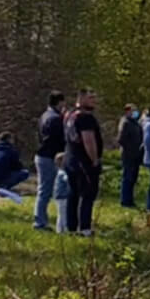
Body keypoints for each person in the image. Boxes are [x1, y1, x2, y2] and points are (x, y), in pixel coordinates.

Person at [61, 89, 103, 238]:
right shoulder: (85, 118)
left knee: (73, 194)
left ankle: (71, 227)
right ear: (81, 98)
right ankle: (84, 228)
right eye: (91, 98)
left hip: (70, 160)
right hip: (84, 162)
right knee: (88, 194)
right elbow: (88, 140)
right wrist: (94, 159)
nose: (94, 101)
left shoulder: (69, 115)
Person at [33, 91, 64, 231]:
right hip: (49, 157)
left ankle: (41, 219)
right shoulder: (56, 118)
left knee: (43, 189)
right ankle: (39, 222)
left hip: (41, 154)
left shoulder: (44, 116)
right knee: (45, 190)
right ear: (59, 102)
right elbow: (57, 140)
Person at [117, 104, 143, 208]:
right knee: (127, 177)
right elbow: (121, 139)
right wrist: (130, 149)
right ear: (127, 111)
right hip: (128, 155)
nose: (136, 112)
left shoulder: (135, 123)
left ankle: (130, 199)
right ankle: (125, 200)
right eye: (133, 110)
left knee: (133, 178)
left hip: (136, 155)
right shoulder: (125, 123)